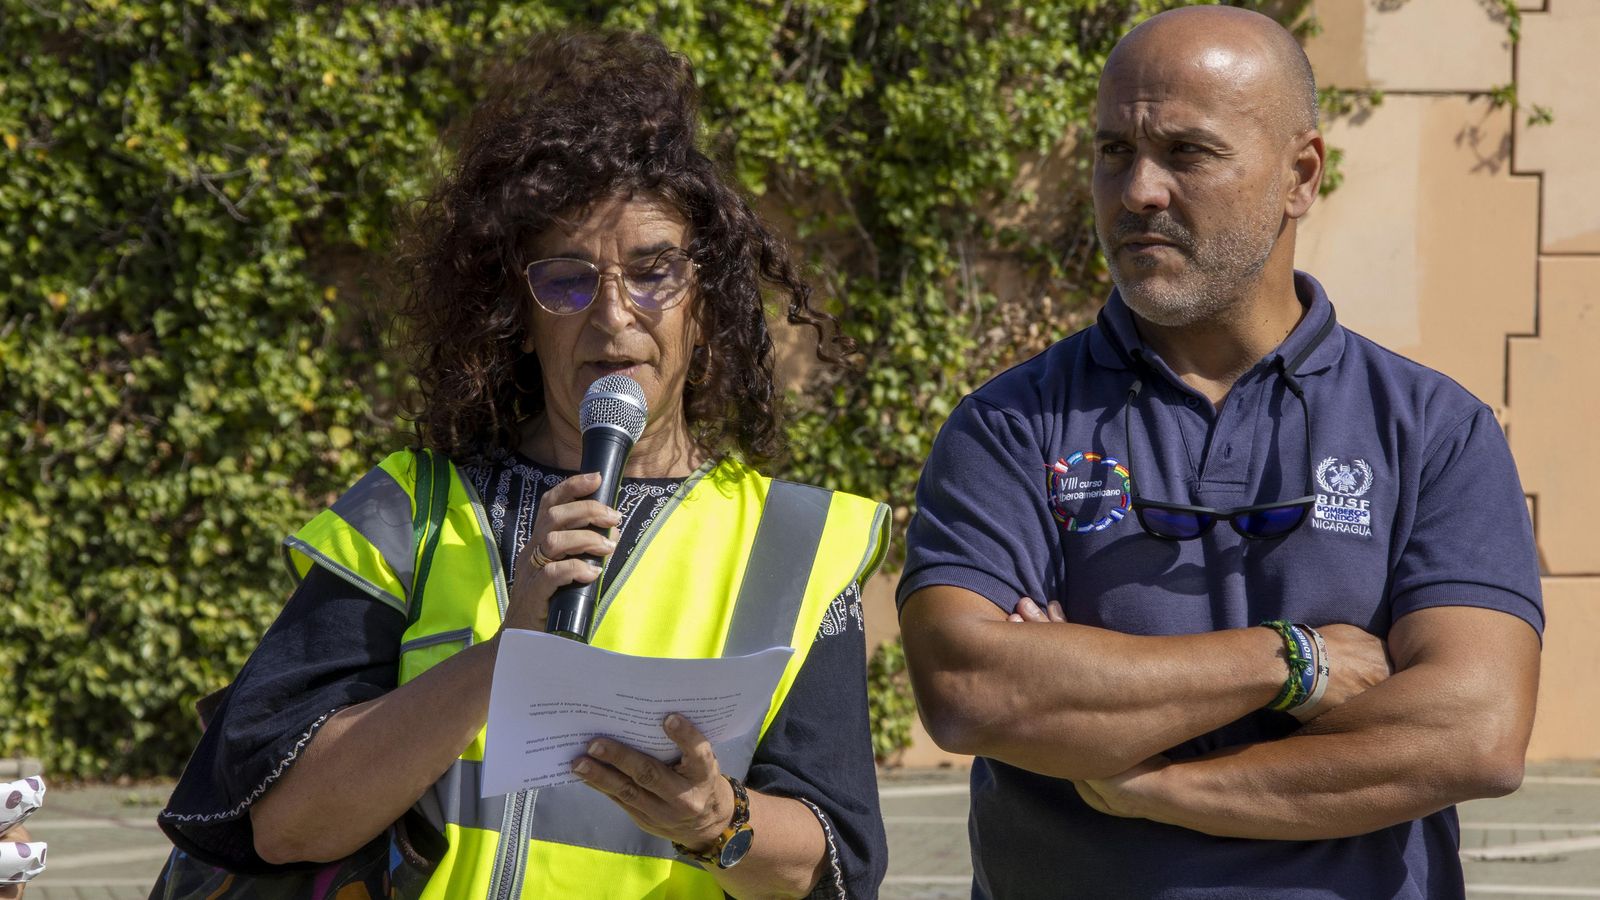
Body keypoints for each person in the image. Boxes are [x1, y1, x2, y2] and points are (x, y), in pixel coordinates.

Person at [157, 30, 889, 900]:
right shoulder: (409, 512)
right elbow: (283, 825)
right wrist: (507, 653)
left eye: (654, 274)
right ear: (516, 309)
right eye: (570, 282)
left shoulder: (799, 543)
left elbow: (834, 862)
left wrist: (717, 821)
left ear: (708, 299)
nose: (614, 321)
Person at [897, 6, 1542, 899]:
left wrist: (1152, 786)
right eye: (1113, 151)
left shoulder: (1433, 427)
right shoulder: (1010, 424)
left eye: (1188, 153)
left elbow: (1472, 730)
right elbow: (971, 686)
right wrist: (1296, 661)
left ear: (1299, 174)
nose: (1138, 192)